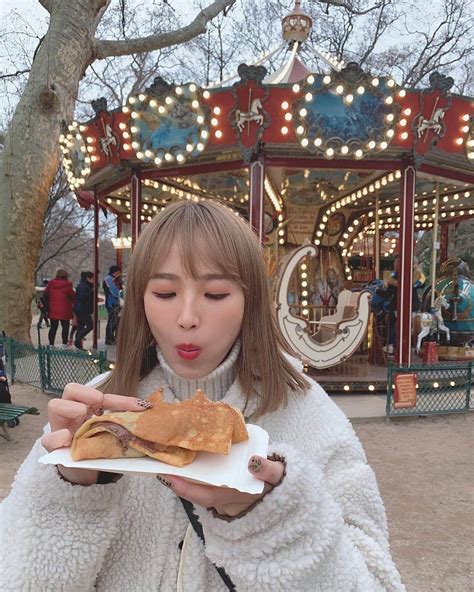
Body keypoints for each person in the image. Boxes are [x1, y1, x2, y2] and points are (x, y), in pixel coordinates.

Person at [0, 201, 405, 591]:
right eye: (164, 294)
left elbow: (375, 582)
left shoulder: (311, 416)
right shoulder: (95, 411)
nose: (187, 318)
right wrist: (71, 489)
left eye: (215, 295)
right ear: (140, 300)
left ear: (251, 301)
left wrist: (268, 516)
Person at [44, 269, 75, 347]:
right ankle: (64, 344)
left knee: (53, 327)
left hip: (53, 309)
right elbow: (73, 296)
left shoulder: (51, 284)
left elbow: (46, 293)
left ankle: (51, 344)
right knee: (65, 328)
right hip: (65, 310)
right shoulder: (68, 285)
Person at [73, 271, 94, 350]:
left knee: (81, 326)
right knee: (90, 325)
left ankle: (78, 343)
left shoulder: (85, 285)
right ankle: (78, 340)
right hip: (82, 309)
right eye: (92, 279)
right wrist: (92, 293)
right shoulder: (84, 286)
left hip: (80, 308)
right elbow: (82, 298)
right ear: (88, 278)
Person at [103, 265, 121, 345]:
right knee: (112, 321)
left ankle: (112, 338)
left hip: (115, 303)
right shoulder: (108, 279)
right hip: (111, 303)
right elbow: (113, 290)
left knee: (114, 321)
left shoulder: (114, 279)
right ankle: (109, 339)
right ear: (115, 272)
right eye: (118, 272)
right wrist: (122, 294)